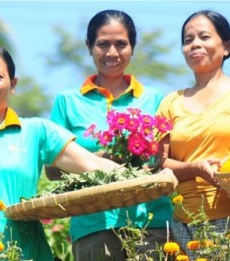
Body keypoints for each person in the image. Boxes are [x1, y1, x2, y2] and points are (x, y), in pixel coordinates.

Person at [0, 44, 121, 261]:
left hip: (28, 255)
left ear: (13, 84)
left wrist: (147, 176)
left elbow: (91, 164)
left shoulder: (36, 132)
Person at [45, 9, 172, 261]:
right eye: (103, 44)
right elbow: (51, 169)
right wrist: (97, 160)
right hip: (93, 226)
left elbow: (164, 159)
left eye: (121, 44)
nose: (112, 53)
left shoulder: (157, 99)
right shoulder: (68, 102)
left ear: (133, 48)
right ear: (89, 47)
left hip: (151, 222)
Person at [157, 10, 230, 258]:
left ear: (226, 47)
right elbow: (159, 164)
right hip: (184, 226)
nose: (195, 44)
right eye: (188, 40)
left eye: (204, 37)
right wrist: (195, 167)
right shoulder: (171, 102)